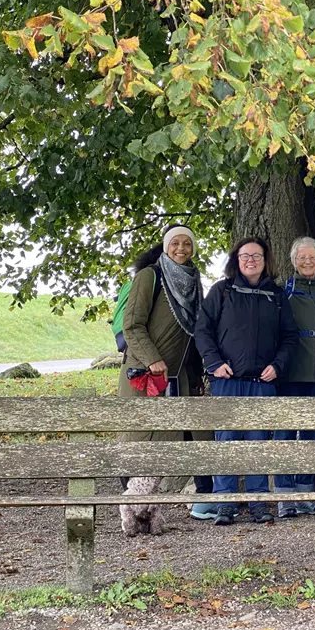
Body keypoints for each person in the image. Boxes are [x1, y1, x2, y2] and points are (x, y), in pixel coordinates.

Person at [194, 237, 298, 526]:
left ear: (266, 260)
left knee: (257, 443)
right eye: (245, 256)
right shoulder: (222, 291)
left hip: (262, 383)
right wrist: (214, 362)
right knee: (226, 443)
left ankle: (258, 504)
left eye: (256, 256)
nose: (251, 260)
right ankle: (225, 504)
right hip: (227, 380)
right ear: (236, 260)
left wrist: (278, 365)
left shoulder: (277, 295)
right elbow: (203, 330)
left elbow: (290, 337)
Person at [117, 224, 211, 533]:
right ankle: (129, 508)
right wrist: (151, 358)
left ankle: (150, 510)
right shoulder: (150, 277)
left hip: (177, 376)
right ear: (166, 246)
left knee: (167, 443)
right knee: (141, 440)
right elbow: (132, 324)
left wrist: (195, 375)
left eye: (187, 243)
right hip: (145, 374)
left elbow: (192, 334)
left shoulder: (193, 280)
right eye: (175, 243)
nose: (181, 248)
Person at [272, 236, 315, 518]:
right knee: (285, 434)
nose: (307, 262)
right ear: (294, 261)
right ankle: (284, 495)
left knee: (312, 434)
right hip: (290, 372)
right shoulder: (284, 289)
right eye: (302, 258)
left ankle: (307, 493)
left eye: (312, 257)